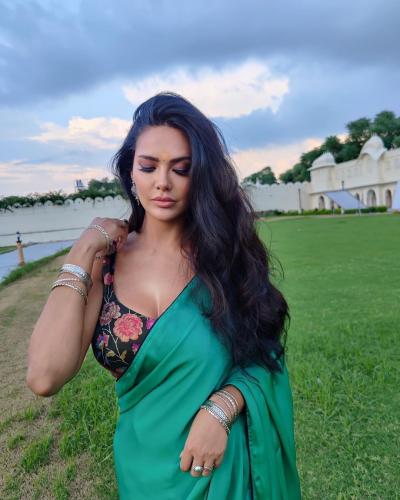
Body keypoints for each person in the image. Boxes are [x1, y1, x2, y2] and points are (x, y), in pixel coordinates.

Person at [26, 92, 302, 499]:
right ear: (130, 171)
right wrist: (83, 250)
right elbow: (44, 376)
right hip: (143, 471)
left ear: (201, 175)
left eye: (181, 168)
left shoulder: (224, 258)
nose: (162, 182)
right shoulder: (105, 264)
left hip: (223, 470)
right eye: (148, 166)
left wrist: (223, 407)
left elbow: (267, 354)